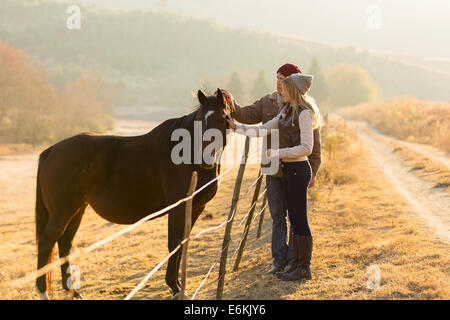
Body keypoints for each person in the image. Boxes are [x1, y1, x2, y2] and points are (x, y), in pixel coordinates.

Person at [225, 63, 322, 275]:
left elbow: (309, 147)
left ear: (292, 88)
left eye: (284, 84)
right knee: (288, 217)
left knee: (298, 220)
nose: (279, 87)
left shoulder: (304, 113)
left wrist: (279, 154)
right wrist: (236, 127)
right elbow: (262, 129)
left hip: (297, 171)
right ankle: (291, 264)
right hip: (286, 171)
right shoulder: (285, 111)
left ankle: (301, 266)